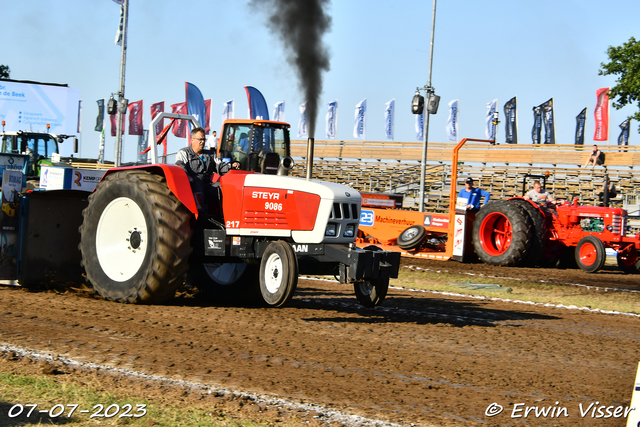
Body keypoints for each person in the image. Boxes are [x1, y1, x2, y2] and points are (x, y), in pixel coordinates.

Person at [175, 127, 219, 209]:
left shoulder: (211, 154)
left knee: (221, 186)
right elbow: (180, 165)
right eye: (200, 139)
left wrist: (230, 166)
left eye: (204, 139)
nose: (202, 142)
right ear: (192, 139)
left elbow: (219, 165)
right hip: (193, 183)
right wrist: (187, 176)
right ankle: (199, 214)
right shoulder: (184, 153)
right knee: (197, 183)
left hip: (207, 182)